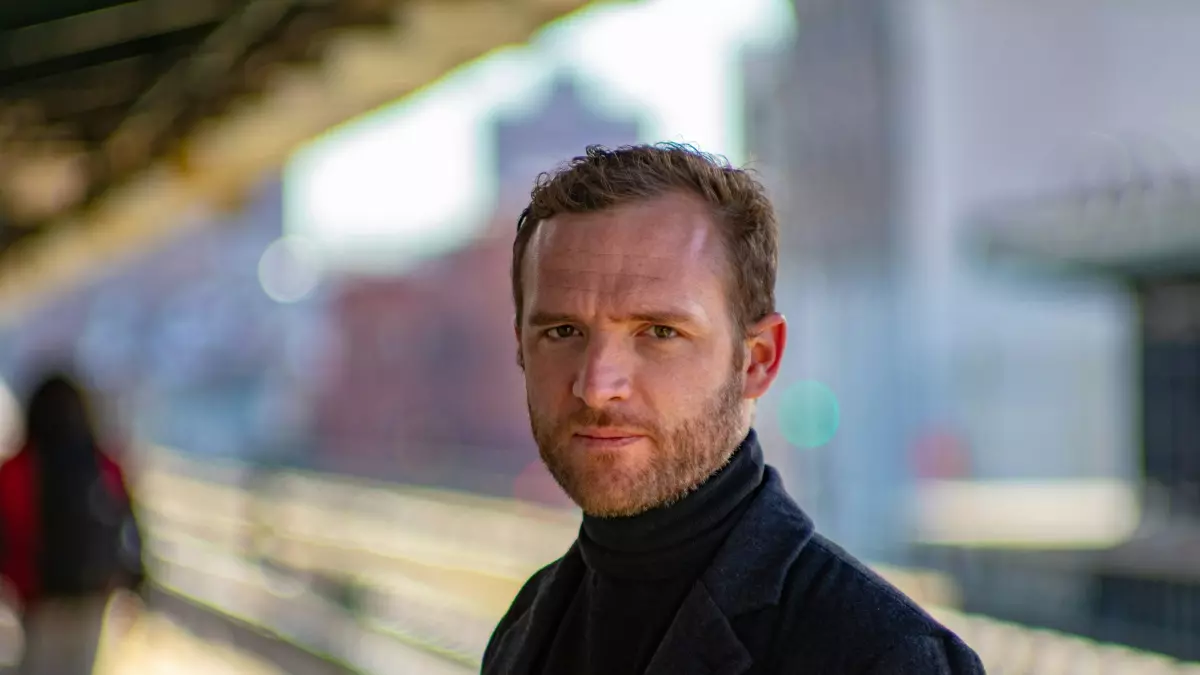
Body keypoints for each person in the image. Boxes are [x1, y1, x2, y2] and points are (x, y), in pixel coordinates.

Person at [483, 144, 986, 674]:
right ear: (520, 346)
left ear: (757, 361)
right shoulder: (525, 626)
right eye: (563, 332)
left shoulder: (885, 656)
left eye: (659, 332)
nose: (596, 386)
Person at [0, 372, 146, 675]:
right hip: (94, 594)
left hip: (39, 598)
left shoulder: (17, 468)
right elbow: (130, 525)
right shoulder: (104, 462)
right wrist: (135, 580)